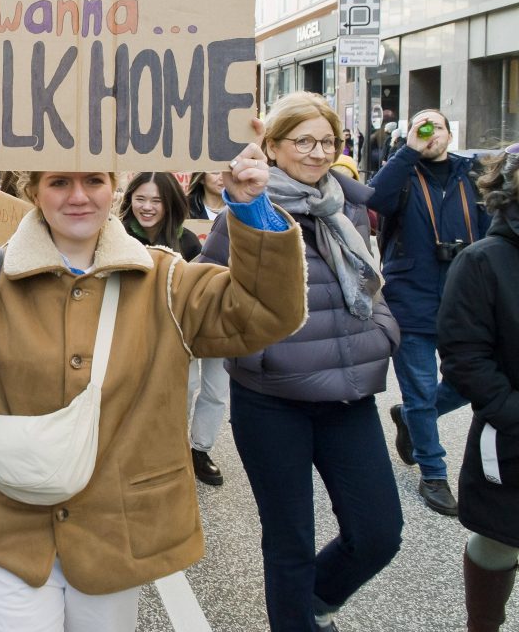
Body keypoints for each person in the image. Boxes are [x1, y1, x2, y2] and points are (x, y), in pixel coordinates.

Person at [0, 125, 307, 631]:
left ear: (113, 186)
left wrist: (251, 208)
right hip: (4, 526)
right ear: (32, 190)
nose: (78, 196)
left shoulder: (166, 279)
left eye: (93, 180)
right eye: (58, 183)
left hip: (117, 531)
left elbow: (265, 313)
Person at [199, 92, 402, 631]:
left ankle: (308, 605)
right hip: (272, 401)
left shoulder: (347, 204)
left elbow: (367, 278)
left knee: (379, 532)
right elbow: (207, 293)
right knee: (290, 542)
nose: (317, 153)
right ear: (273, 146)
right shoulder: (245, 210)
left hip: (348, 394)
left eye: (328, 142)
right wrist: (256, 346)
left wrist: (384, 329)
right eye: (304, 141)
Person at [368, 108, 492, 515]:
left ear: (450, 134)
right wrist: (407, 153)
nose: (429, 134)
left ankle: (409, 418)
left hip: (466, 300)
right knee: (420, 389)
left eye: (436, 127)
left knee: (469, 382)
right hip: (411, 299)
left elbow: (496, 228)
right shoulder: (402, 172)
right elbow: (376, 201)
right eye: (421, 128)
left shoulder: (473, 174)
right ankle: (434, 475)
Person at [437, 142, 519, 632]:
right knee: (499, 540)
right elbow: (465, 359)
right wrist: (512, 413)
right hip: (510, 437)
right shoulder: (483, 262)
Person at [184, 171, 230, 486]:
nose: (221, 176)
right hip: (188, 311)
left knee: (216, 388)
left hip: (223, 313)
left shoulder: (246, 208)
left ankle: (200, 448)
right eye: (215, 168)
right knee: (185, 385)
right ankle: (172, 442)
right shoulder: (182, 209)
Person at [116, 173, 201, 260]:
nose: (147, 207)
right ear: (130, 199)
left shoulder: (189, 242)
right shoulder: (118, 237)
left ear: (170, 203)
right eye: (140, 199)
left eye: (156, 201)